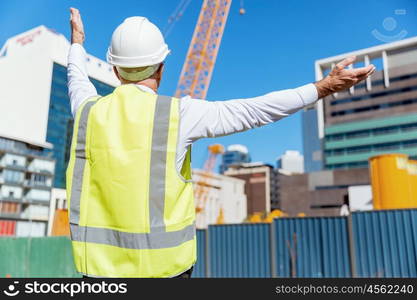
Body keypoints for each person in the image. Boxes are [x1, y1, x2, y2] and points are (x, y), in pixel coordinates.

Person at [67, 7, 375, 278]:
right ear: (162, 66)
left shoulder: (87, 112)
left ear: (114, 69)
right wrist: (323, 87)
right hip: (164, 273)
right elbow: (255, 110)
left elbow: (77, 79)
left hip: (98, 276)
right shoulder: (178, 114)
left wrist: (77, 44)